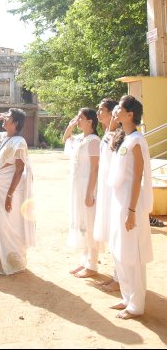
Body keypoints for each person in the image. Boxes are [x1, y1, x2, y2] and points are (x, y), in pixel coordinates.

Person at [108, 95, 153, 319]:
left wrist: (132, 211)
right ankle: (126, 297)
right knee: (120, 249)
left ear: (130, 114)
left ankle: (136, 305)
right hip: (119, 201)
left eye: (119, 108)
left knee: (133, 253)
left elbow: (137, 178)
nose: (115, 111)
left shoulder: (137, 141)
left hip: (130, 202)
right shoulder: (124, 138)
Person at [0, 108, 36, 276]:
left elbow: (19, 169)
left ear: (15, 123)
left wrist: (10, 195)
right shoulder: (4, 137)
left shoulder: (19, 142)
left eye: (7, 117)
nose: (4, 118)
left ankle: (13, 261)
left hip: (11, 189)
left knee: (10, 223)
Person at [63, 108, 101, 278]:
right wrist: (70, 126)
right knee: (82, 222)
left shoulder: (94, 141)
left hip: (88, 186)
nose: (77, 120)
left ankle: (92, 265)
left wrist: (89, 193)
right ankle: (85, 260)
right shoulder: (80, 138)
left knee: (90, 223)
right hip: (77, 186)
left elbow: (95, 168)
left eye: (81, 117)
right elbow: (66, 139)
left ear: (90, 121)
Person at [93, 98, 120, 292]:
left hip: (114, 191)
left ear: (112, 113)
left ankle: (120, 278)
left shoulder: (119, 136)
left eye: (101, 109)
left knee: (116, 234)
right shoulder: (107, 133)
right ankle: (117, 275)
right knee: (110, 233)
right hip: (105, 189)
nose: (98, 112)